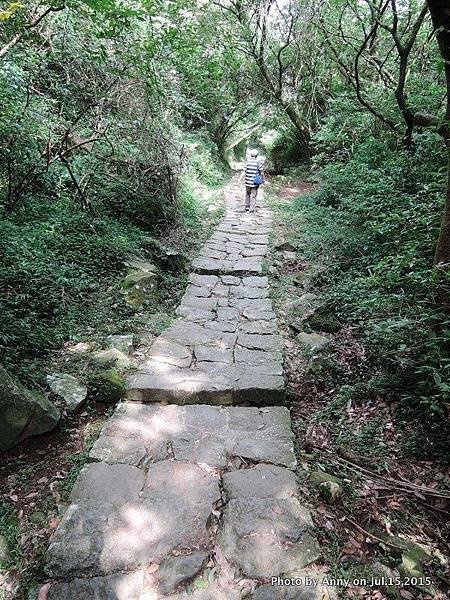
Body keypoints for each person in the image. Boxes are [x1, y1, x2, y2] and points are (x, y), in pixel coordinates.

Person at [239, 149, 264, 213]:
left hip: (247, 182)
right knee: (254, 195)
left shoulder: (247, 162)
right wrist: (263, 179)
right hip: (255, 183)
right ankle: (252, 209)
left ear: (251, 155)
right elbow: (261, 172)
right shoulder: (258, 162)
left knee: (247, 194)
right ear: (257, 155)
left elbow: (244, 171)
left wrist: (239, 179)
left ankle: (247, 206)